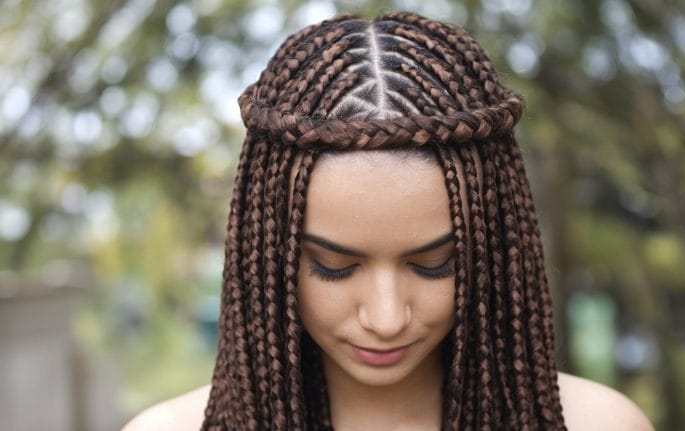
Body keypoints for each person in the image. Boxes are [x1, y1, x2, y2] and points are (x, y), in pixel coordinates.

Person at [124, 11, 654, 431]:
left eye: (434, 264)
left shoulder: (599, 425)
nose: (386, 318)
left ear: (493, 244)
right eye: (333, 267)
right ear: (266, 257)